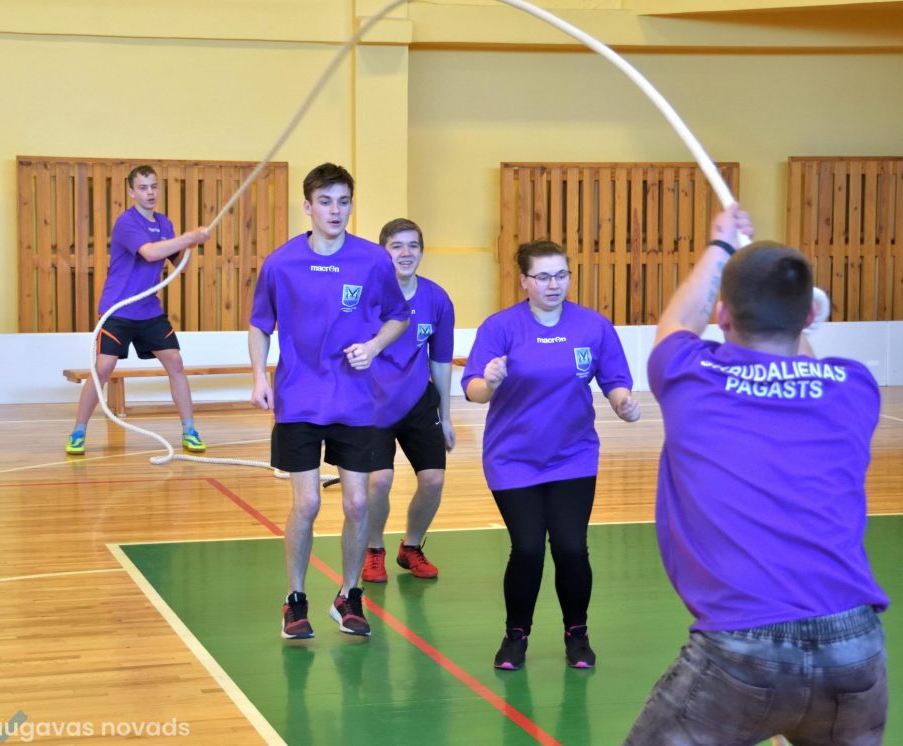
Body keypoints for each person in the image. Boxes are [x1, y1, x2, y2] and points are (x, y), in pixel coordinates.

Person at [624, 207, 889, 745]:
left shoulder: (689, 375)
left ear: (723, 315)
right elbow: (803, 364)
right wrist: (793, 304)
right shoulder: (853, 388)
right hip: (855, 649)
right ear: (808, 317)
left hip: (742, 652)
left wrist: (721, 243)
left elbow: (676, 324)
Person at [462, 240, 641, 671]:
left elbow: (615, 380)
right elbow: (474, 391)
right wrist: (490, 381)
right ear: (523, 280)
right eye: (542, 276)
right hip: (513, 459)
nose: (553, 284)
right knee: (527, 548)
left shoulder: (593, 327)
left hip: (573, 456)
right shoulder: (500, 328)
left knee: (571, 548)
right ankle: (515, 635)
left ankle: (577, 633)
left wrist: (623, 403)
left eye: (561, 274)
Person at [248, 163, 409, 640]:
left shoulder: (373, 261)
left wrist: (373, 347)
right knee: (309, 502)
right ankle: (295, 600)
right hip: (298, 399)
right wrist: (258, 376)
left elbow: (398, 316)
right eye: (325, 202)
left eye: (343, 201)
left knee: (358, 502)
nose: (335, 211)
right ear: (308, 206)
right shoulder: (280, 263)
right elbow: (260, 324)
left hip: (355, 401)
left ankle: (349, 594)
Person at [65, 165, 211, 456]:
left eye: (154, 186)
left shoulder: (164, 223)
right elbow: (150, 252)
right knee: (103, 368)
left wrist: (192, 243)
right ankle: (78, 431)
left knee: (175, 363)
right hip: (118, 310)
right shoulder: (126, 222)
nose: (150, 193)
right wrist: (187, 237)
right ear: (132, 192)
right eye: (143, 188)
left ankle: (189, 430)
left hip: (149, 311)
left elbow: (177, 263)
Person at [362, 218, 456, 583]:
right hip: (372, 404)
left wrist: (446, 417)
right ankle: (373, 550)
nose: (406, 253)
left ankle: (411, 546)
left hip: (418, 401)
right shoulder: (367, 297)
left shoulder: (437, 299)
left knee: (433, 481)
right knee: (379, 481)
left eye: (413, 245)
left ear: (421, 251)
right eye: (397, 246)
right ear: (383, 252)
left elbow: (441, 361)